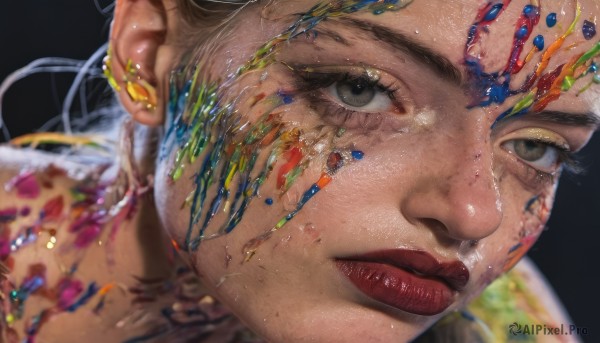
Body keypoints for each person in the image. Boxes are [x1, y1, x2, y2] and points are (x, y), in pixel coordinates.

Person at [0, 0, 598, 342]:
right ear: (150, 51)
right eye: (359, 90)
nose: (473, 213)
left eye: (538, 148)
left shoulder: (511, 325)